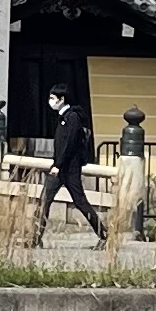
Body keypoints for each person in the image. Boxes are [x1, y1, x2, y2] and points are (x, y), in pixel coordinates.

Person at [43, 87, 107, 242]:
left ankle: (104, 235)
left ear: (62, 99)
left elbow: (69, 143)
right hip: (59, 167)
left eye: (53, 98)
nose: (50, 101)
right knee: (44, 200)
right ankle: (35, 237)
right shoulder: (62, 117)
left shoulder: (72, 117)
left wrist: (59, 164)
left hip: (68, 168)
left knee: (80, 202)